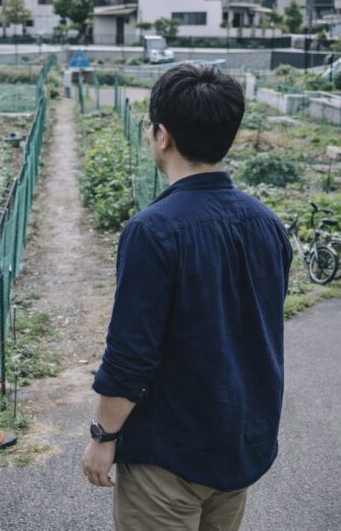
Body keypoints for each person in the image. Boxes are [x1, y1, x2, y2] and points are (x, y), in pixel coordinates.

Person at [81, 64, 292, 530]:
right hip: (238, 447)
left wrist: (103, 435)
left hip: (170, 458)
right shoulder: (266, 223)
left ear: (162, 136)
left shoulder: (152, 232)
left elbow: (131, 355)